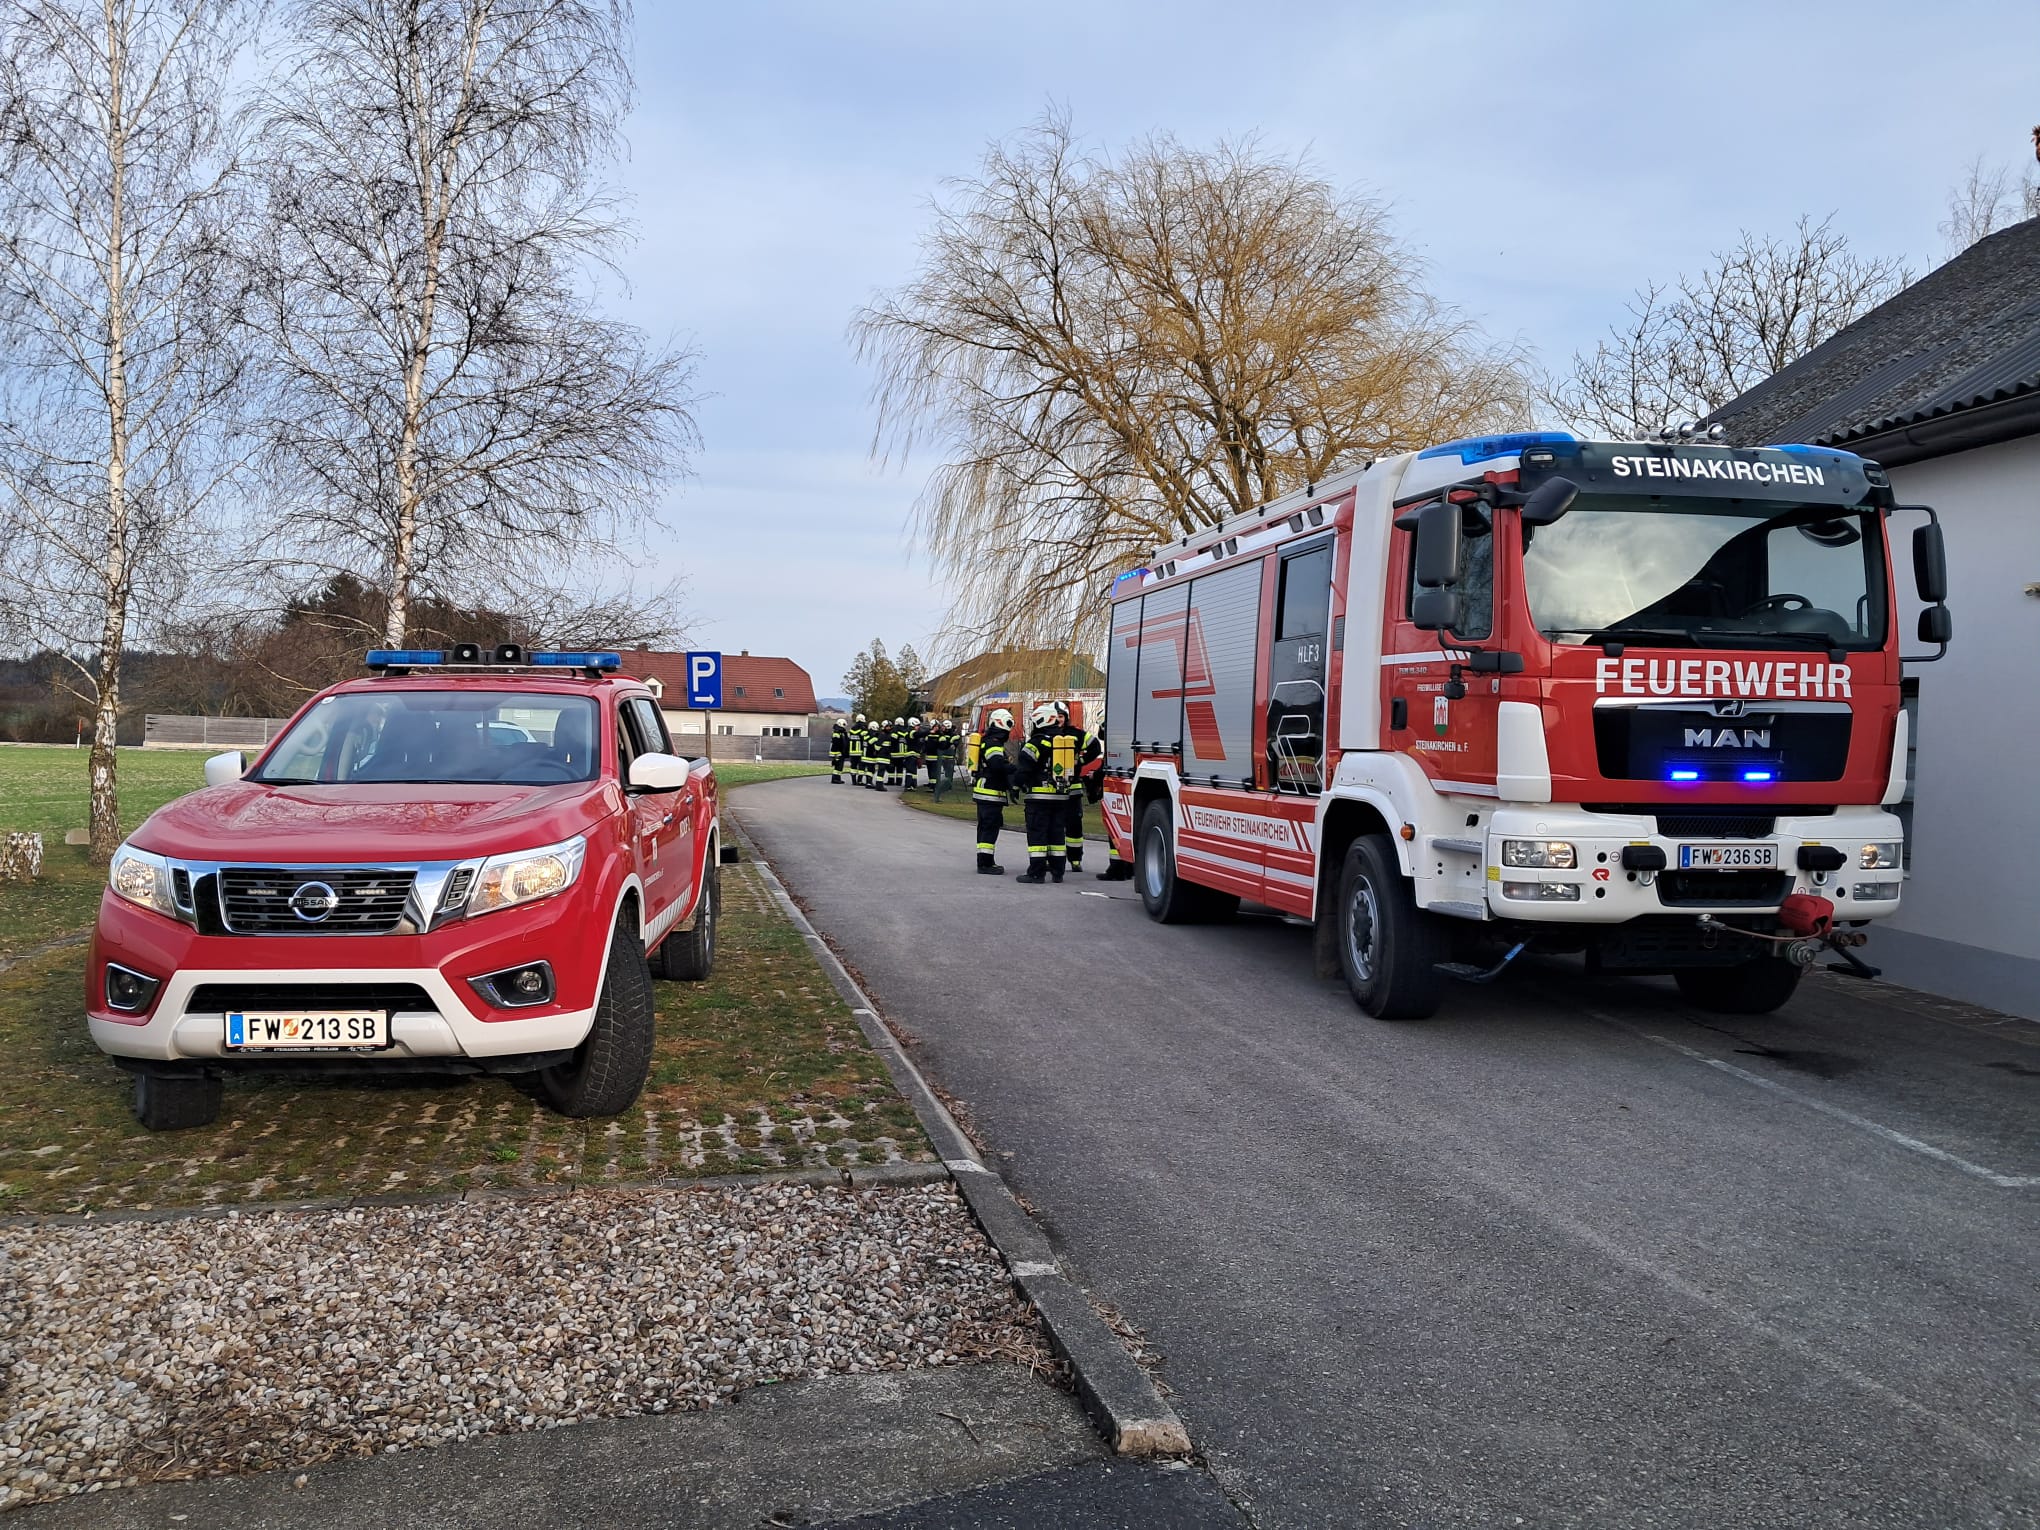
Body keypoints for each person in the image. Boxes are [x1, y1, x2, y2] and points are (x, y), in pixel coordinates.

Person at [1013, 702, 1074, 884]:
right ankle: (1058, 872)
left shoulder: (1036, 743)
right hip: (1061, 797)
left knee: (1037, 834)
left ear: (1040, 721)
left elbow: (1024, 767)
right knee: (1057, 834)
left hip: (1039, 798)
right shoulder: (1065, 743)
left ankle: (1036, 873)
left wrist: (1016, 785)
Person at [1052, 702, 1103, 873]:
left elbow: (1095, 746)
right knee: (1054, 825)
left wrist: (1079, 761)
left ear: (1066, 717)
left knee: (1074, 825)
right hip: (1052, 789)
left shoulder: (1075, 734)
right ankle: (1053, 860)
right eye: (1055, 716)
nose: (1058, 719)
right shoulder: (1046, 734)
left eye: (1061, 716)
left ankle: (1075, 859)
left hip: (1072, 788)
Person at [966, 708, 1015, 874]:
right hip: (990, 792)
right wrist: (1014, 769)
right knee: (989, 827)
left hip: (985, 791)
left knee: (985, 827)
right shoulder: (993, 742)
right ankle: (986, 864)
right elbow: (996, 764)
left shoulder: (988, 740)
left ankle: (985, 861)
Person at [926, 717, 957, 802]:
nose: (941, 727)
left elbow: (950, 744)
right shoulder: (941, 734)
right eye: (941, 726)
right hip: (941, 757)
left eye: (943, 726)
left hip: (948, 758)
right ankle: (935, 786)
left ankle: (947, 787)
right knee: (937, 773)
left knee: (948, 774)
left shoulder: (952, 735)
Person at [896, 716, 921, 791]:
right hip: (910, 754)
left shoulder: (907, 732)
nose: (918, 727)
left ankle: (913, 785)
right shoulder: (911, 732)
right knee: (910, 771)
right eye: (917, 725)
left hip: (913, 754)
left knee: (913, 772)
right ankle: (908, 785)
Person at [829, 716, 850, 784]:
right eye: (844, 724)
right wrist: (836, 755)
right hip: (837, 753)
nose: (844, 726)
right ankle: (835, 779)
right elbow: (836, 744)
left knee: (839, 766)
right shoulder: (836, 733)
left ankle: (837, 778)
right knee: (838, 766)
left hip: (840, 752)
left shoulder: (841, 732)